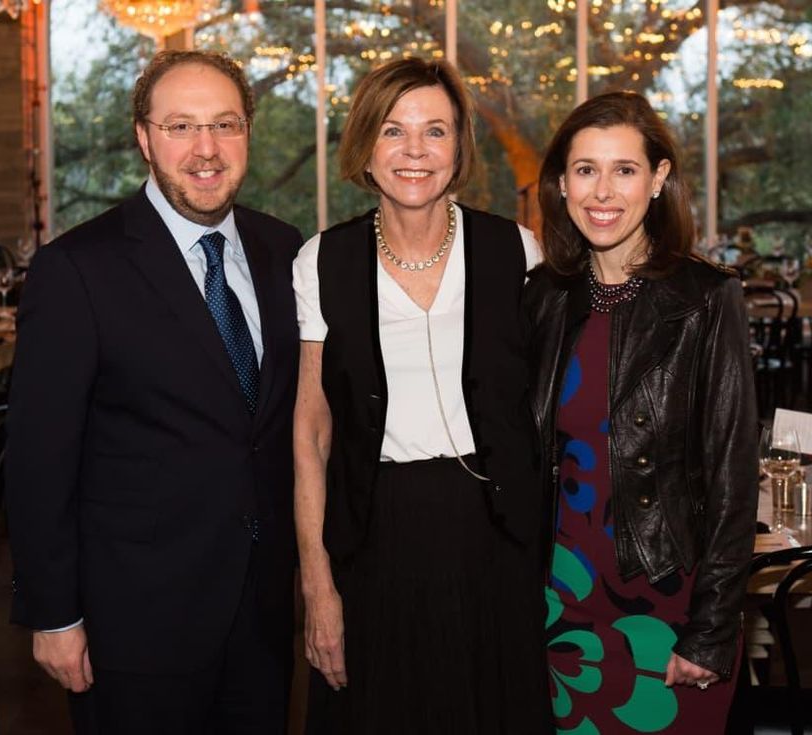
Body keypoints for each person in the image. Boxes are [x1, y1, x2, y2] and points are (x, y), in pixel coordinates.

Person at [6, 49, 303, 734]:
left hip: (261, 616)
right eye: (180, 127)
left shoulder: (283, 249)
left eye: (226, 125)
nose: (207, 149)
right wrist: (54, 612)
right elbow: (38, 460)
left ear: (248, 134)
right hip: (133, 627)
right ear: (144, 137)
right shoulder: (76, 269)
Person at [292, 57, 552, 733]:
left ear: (459, 146)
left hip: (494, 533)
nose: (414, 151)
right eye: (392, 131)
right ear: (364, 148)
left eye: (434, 131)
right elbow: (311, 433)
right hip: (374, 537)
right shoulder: (322, 261)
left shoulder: (516, 252)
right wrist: (318, 585)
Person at [524, 91, 758, 734]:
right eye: (585, 169)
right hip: (560, 597)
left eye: (624, 169)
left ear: (657, 179)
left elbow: (735, 479)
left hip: (668, 599)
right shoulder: (543, 297)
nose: (603, 191)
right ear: (562, 184)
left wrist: (710, 631)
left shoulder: (706, 299)